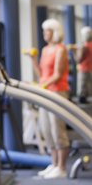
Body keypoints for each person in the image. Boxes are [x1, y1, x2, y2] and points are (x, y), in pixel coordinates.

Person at [26, 18, 70, 179]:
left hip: (58, 92)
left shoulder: (61, 49)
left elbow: (57, 75)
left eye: (47, 31)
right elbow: (42, 75)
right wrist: (32, 60)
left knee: (57, 129)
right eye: (44, 31)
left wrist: (42, 86)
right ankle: (54, 164)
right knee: (46, 129)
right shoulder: (45, 50)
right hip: (46, 92)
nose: (45, 34)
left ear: (55, 32)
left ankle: (62, 167)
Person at [69, 26, 92, 104]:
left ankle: (82, 99)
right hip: (89, 69)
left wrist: (73, 51)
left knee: (82, 87)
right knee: (87, 86)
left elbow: (78, 60)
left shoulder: (84, 47)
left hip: (84, 69)